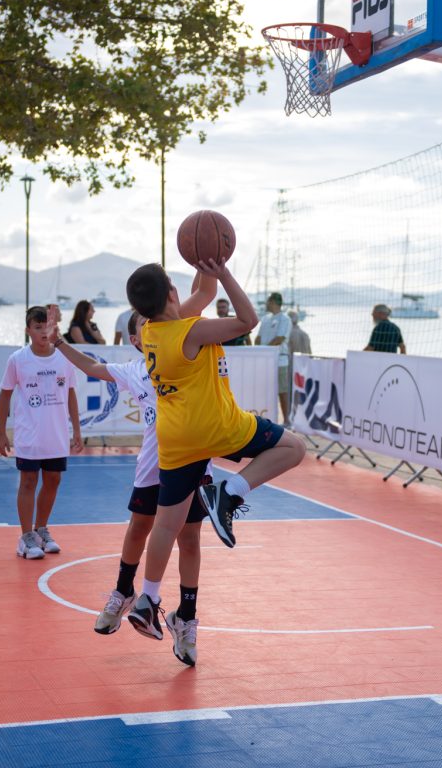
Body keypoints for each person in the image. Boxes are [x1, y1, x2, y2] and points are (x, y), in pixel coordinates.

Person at [123, 259, 306, 641]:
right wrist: (224, 272)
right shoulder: (192, 330)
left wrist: (207, 261)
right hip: (216, 427)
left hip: (174, 438)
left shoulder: (155, 329)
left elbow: (203, 294)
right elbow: (248, 320)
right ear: (172, 293)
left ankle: (147, 599)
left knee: (166, 525)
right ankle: (229, 491)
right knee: (294, 447)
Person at [52, 309, 210, 666]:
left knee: (189, 539)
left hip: (192, 461)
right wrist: (59, 341)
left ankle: (186, 616)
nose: (152, 328)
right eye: (143, 326)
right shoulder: (132, 370)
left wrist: (209, 272)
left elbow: (196, 311)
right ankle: (124, 590)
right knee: (139, 527)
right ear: (136, 339)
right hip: (153, 466)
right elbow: (92, 368)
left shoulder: (185, 359)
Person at [0, 305, 84, 560]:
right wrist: (1, 432)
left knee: (53, 480)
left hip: (55, 435)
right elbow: (5, 395)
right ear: (28, 330)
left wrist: (77, 430)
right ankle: (25, 537)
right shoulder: (18, 359)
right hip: (29, 435)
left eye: (47, 326)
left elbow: (70, 394)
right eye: (38, 327)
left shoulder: (64, 358)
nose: (43, 332)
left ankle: (41, 529)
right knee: (28, 482)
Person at [254, 292, 292, 423]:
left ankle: (287, 420)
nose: (266, 304)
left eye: (268, 301)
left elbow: (280, 339)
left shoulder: (285, 319)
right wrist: (258, 351)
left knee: (282, 391)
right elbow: (258, 338)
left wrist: (265, 351)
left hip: (279, 360)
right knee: (265, 390)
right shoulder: (265, 318)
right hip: (264, 361)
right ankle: (267, 417)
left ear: (274, 302)